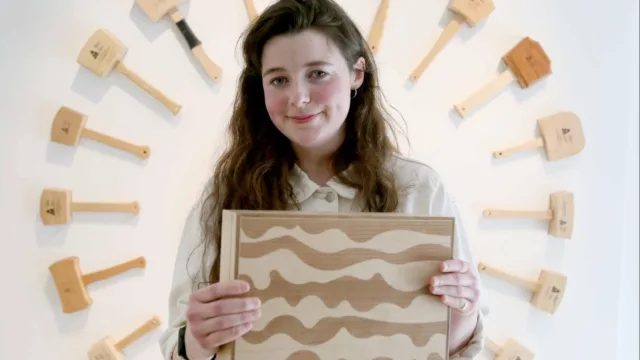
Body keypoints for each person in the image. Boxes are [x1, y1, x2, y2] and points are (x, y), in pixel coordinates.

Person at [159, 0, 489, 359]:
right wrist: (196, 340)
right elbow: (178, 345)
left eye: (318, 74)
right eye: (279, 80)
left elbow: (456, 348)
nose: (299, 99)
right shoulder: (224, 194)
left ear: (356, 74)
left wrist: (464, 311)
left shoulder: (420, 189)